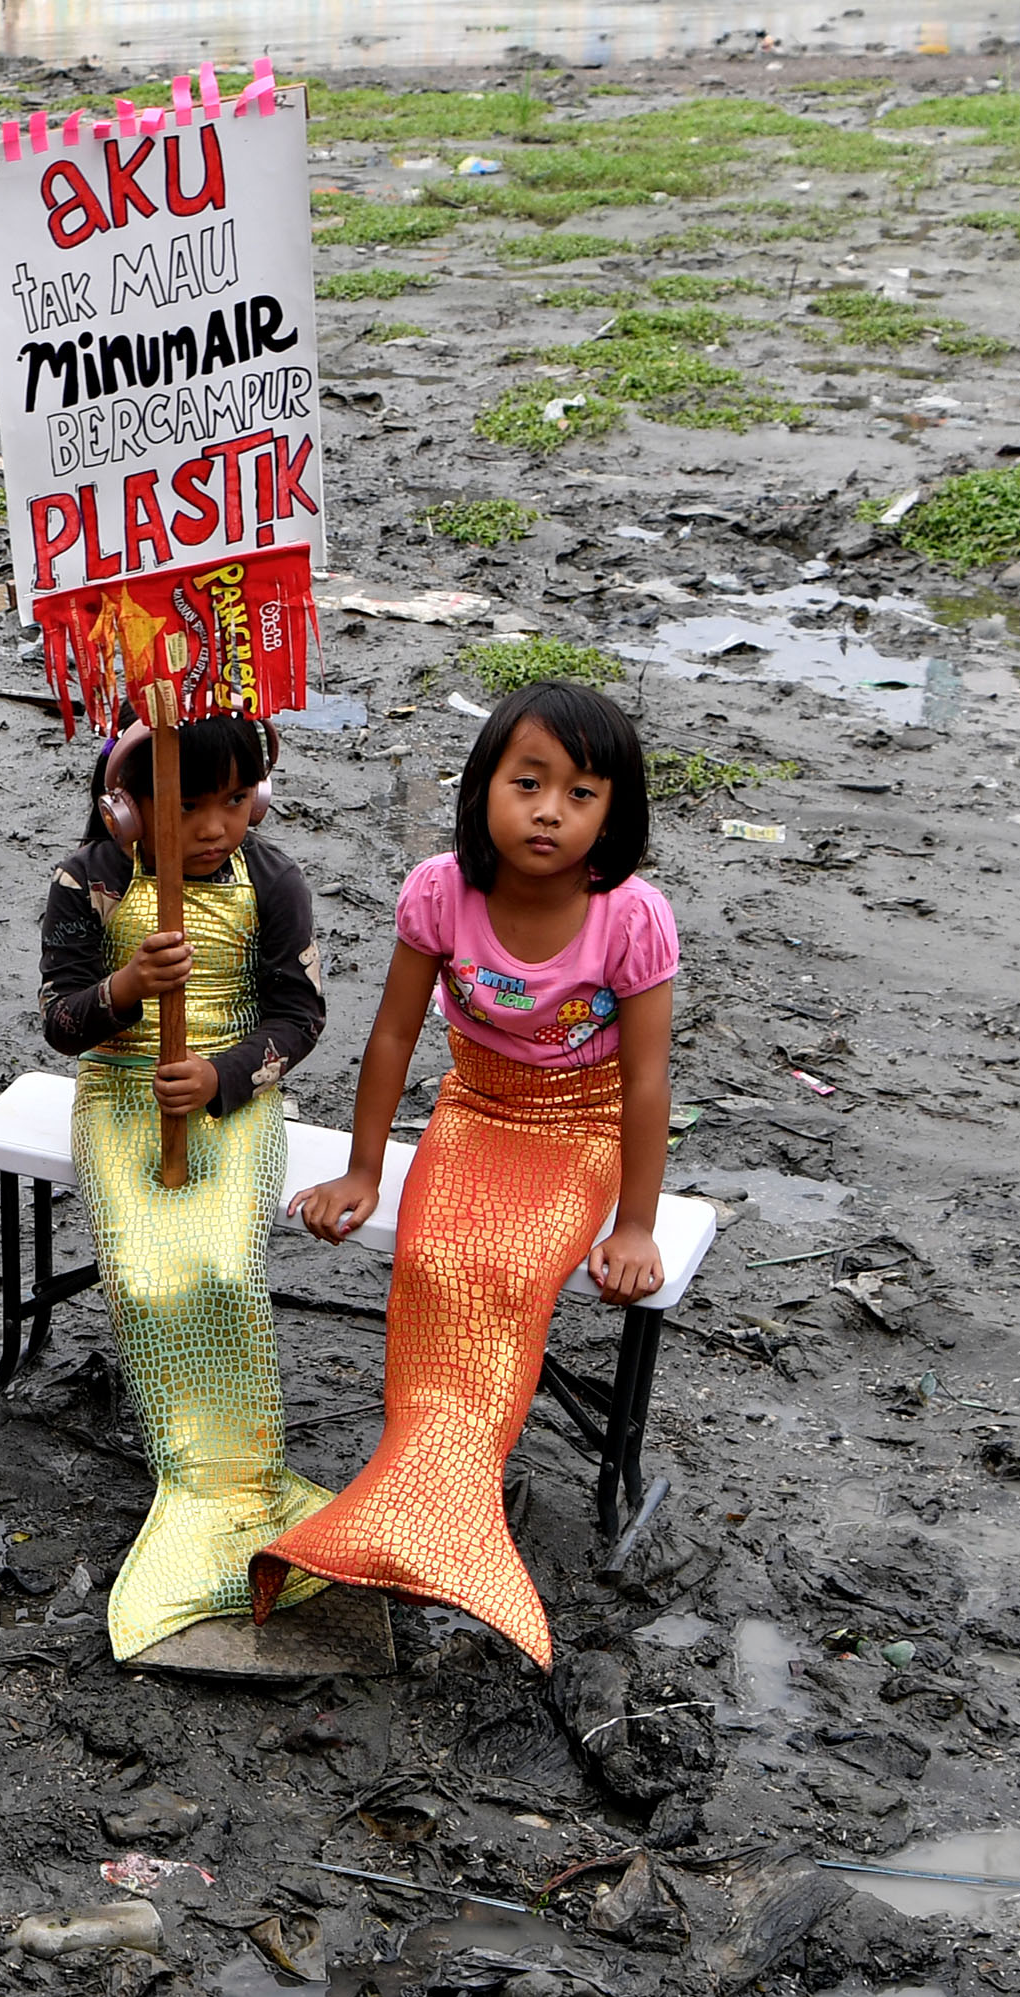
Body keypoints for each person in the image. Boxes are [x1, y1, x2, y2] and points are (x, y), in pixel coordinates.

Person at [251, 682, 678, 1666]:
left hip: (582, 1128)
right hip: (475, 1110)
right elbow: (393, 1035)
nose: (549, 811)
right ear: (483, 786)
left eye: (580, 794)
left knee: (513, 1276)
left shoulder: (630, 917)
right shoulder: (441, 892)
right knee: (433, 1265)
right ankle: (411, 1497)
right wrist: (364, 1171)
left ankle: (450, 1503)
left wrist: (634, 1225)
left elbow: (649, 1083)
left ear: (614, 814)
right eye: (528, 783)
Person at [37, 712, 330, 1656]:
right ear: (125, 806)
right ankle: (190, 1475)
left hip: (232, 1098)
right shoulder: (89, 879)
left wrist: (223, 1075)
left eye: (235, 800)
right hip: (122, 1093)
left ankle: (246, 1482)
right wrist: (125, 989)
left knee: (222, 1262)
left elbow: (300, 1016)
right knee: (145, 1272)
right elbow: (59, 1021)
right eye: (188, 805)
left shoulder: (271, 880)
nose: (214, 827)